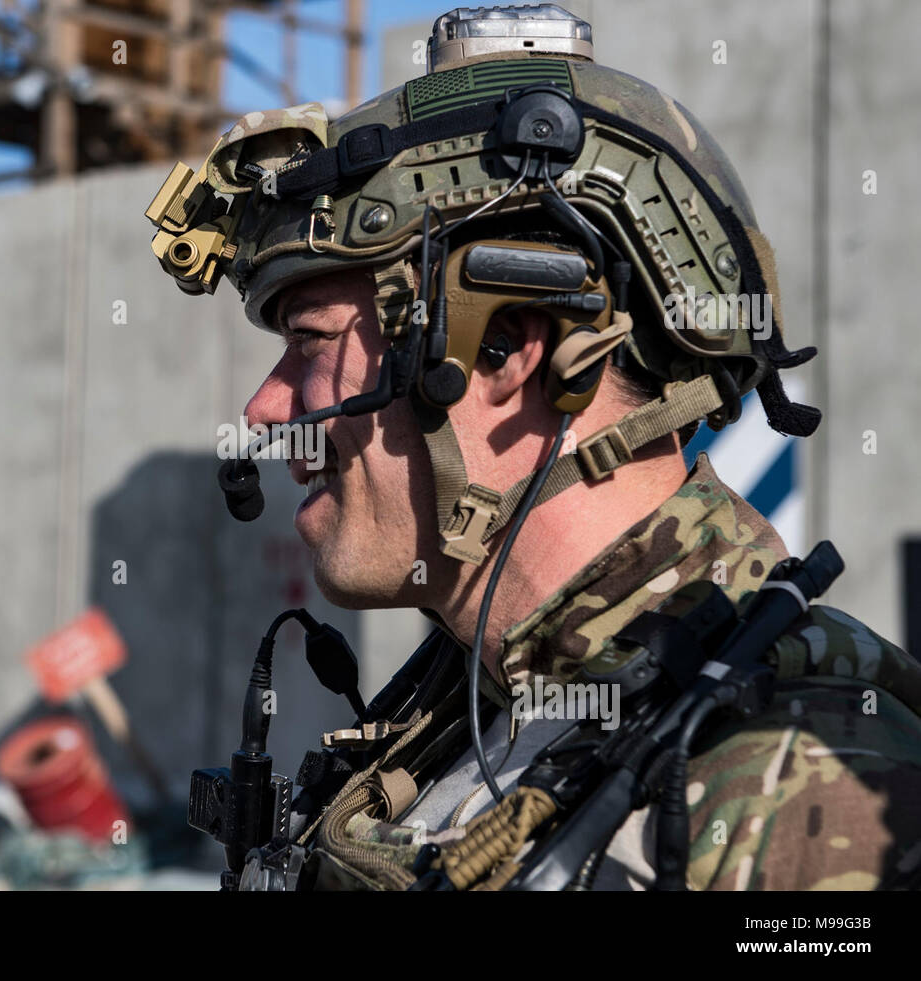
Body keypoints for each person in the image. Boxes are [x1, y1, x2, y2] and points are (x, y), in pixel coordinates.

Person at [146, 4, 921, 890]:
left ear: (506, 348)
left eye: (312, 341)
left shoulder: (797, 797)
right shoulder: (461, 723)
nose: (264, 404)